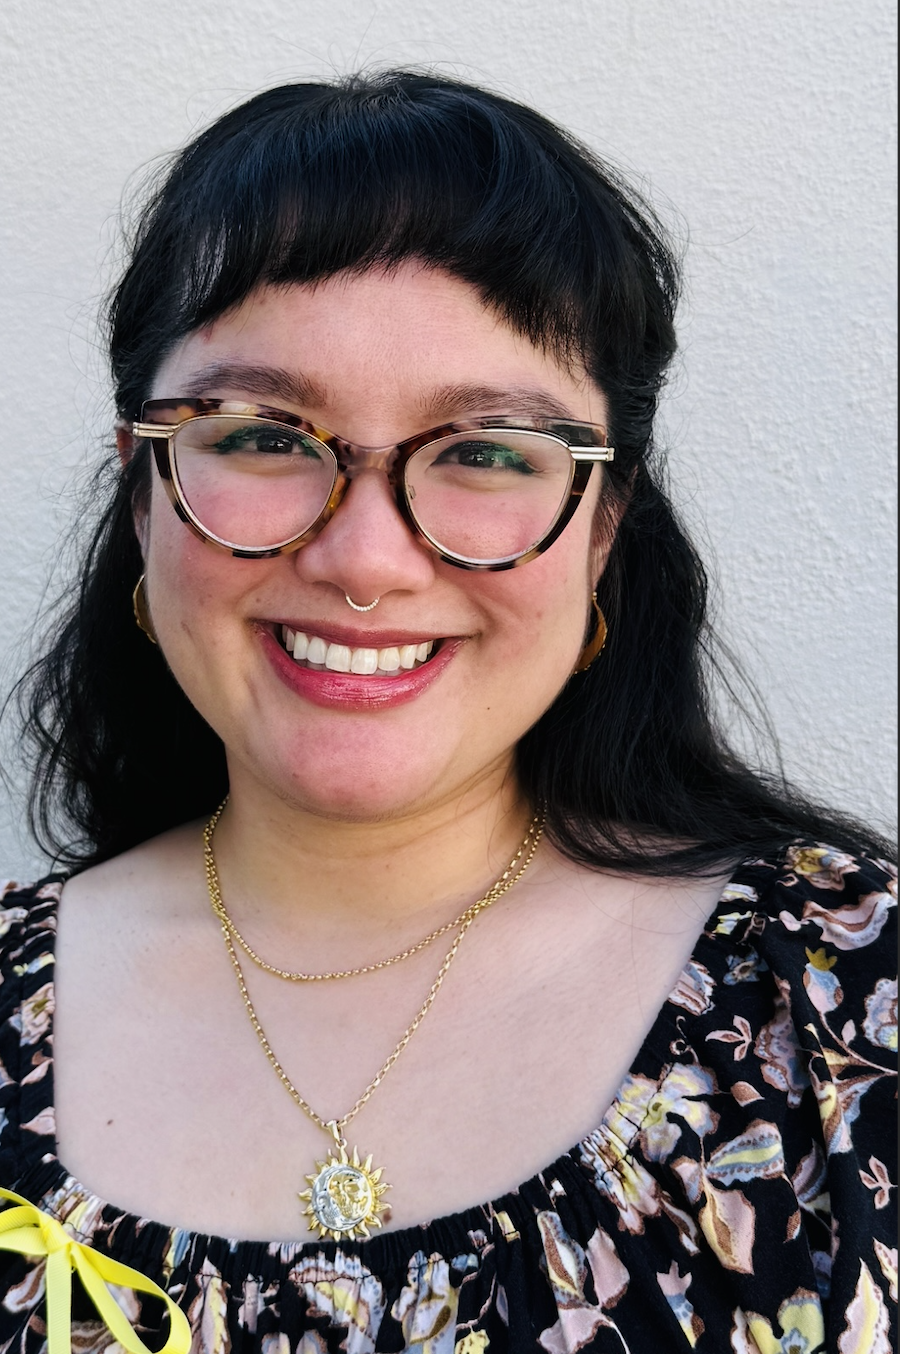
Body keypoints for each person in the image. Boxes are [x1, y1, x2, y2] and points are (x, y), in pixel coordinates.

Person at [0, 70, 895, 1354]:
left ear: (603, 530)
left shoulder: (847, 1000)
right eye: (263, 434)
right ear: (143, 489)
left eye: (483, 451)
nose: (365, 560)